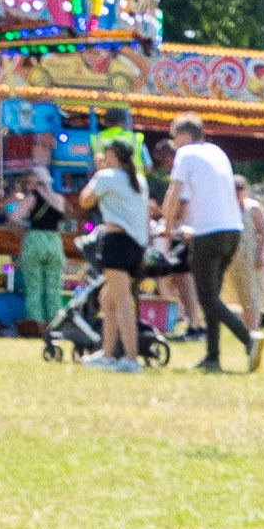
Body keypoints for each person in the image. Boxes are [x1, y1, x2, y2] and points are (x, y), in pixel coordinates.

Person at [165, 124, 257, 375]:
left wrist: (166, 228)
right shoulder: (217, 152)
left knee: (206, 297)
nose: (173, 145)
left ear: (184, 136)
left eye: (174, 139)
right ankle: (213, 356)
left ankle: (249, 340)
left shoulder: (186, 154)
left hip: (208, 234)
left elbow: (174, 193)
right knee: (212, 297)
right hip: (232, 232)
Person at [75, 134, 155, 371]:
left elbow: (84, 201)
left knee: (122, 302)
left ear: (111, 156)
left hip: (116, 243)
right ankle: (107, 354)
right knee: (106, 299)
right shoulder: (140, 180)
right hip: (135, 246)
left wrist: (99, 170)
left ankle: (130, 359)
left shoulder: (106, 176)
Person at [10, 182, 70, 358]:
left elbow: (14, 218)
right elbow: (66, 218)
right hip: (54, 241)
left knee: (33, 286)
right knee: (53, 287)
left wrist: (23, 229)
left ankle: (36, 325)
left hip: (34, 240)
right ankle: (56, 325)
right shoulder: (59, 198)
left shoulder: (31, 198)